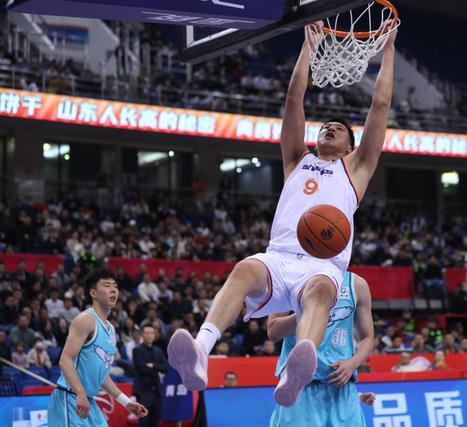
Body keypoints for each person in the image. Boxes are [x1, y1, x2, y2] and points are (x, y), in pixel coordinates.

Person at [167, 20, 397, 410]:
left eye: (338, 129)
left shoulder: (356, 169)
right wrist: (308, 47)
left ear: (350, 147)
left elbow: (380, 105)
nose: (329, 128)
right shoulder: (297, 159)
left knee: (321, 292)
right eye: (325, 126)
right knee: (243, 269)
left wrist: (387, 49)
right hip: (279, 257)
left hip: (321, 265)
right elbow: (294, 100)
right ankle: (202, 350)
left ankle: (295, 371)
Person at [267, 272, 374, 425]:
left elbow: (368, 338)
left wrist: (353, 363)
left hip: (343, 390)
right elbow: (273, 331)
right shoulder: (289, 278)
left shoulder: (357, 284)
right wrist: (310, 311)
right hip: (300, 389)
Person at [48, 268, 147, 426]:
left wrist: (127, 402)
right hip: (71, 398)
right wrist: (80, 393)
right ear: (93, 293)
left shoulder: (111, 329)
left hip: (88, 402)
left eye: (115, 286)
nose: (113, 290)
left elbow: (102, 377)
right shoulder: (85, 320)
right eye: (107, 285)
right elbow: (65, 360)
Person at [133, 325, 168, 427]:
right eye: (146, 333)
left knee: (155, 421)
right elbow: (142, 369)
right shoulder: (137, 350)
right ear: (142, 334)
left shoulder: (158, 351)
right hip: (143, 391)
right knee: (143, 421)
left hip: (157, 391)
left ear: (155, 335)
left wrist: (153, 365)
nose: (149, 335)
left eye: (151, 333)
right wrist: (157, 369)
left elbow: (166, 368)